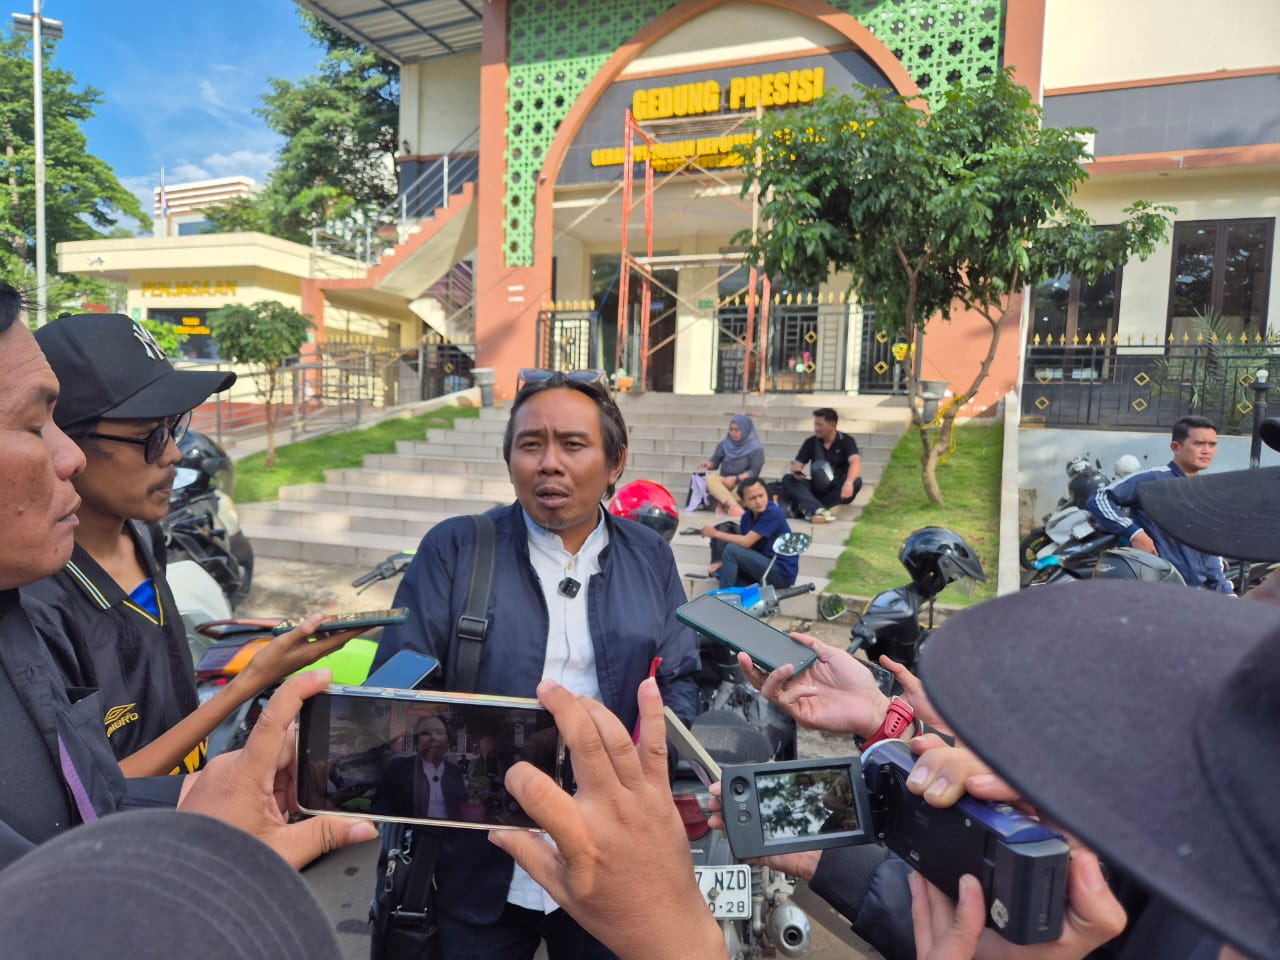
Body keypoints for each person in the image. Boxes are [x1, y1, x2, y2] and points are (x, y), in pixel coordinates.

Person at [0, 280, 376, 876]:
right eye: (150, 437)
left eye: (176, 428)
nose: (174, 454)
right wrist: (251, 680)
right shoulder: (35, 603)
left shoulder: (145, 533)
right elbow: (88, 793)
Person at [371, 367, 701, 960]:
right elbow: (397, 690)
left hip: (611, 859)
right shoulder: (455, 549)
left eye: (573, 444)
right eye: (531, 444)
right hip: (478, 861)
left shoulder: (650, 556)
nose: (550, 463)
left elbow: (678, 680)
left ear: (615, 462)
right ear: (510, 460)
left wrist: (638, 766)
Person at [1086, 415, 1233, 593]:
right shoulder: (1153, 480)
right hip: (1152, 588)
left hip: (1193, 594)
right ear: (1176, 447)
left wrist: (1225, 591)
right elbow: (1099, 499)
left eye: (1212, 444)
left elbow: (1210, 551)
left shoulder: (1206, 493)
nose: (1206, 451)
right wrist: (1135, 533)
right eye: (1199, 444)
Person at [701, 475, 798, 589]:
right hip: (762, 566)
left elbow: (746, 542)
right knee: (725, 571)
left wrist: (715, 533)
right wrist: (724, 562)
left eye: (761, 495)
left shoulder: (774, 513)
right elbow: (747, 549)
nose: (758, 501)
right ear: (744, 501)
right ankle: (736, 594)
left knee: (731, 550)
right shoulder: (746, 518)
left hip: (780, 572)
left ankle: (724, 597)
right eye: (752, 498)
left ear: (766, 493)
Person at [372, 715, 468, 820]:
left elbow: (462, 808)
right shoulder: (399, 768)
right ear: (416, 741)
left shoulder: (455, 773)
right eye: (426, 733)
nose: (434, 738)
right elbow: (380, 807)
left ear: (447, 741)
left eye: (439, 732)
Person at [781, 407, 862, 524]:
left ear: (832, 425)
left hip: (838, 489)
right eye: (815, 424)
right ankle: (819, 509)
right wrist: (796, 471)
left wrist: (848, 483)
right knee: (788, 479)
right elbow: (797, 464)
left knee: (856, 481)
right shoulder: (810, 442)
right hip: (817, 487)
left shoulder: (847, 441)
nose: (816, 428)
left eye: (820, 425)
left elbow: (855, 462)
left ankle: (812, 508)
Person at [697, 414, 764, 515]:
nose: (733, 433)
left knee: (748, 487)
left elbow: (754, 471)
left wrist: (735, 479)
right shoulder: (724, 444)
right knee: (710, 479)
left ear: (745, 429)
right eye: (731, 430)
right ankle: (735, 506)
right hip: (725, 480)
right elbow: (715, 462)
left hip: (742, 481)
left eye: (737, 430)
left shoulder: (755, 448)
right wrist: (709, 464)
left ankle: (723, 504)